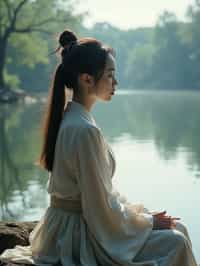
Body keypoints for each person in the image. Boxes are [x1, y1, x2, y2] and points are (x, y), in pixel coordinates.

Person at [0, 29, 197, 266]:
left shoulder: (75, 119)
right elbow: (99, 208)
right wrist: (147, 221)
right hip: (76, 234)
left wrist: (140, 216)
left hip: (74, 222)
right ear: (86, 79)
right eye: (110, 75)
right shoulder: (84, 130)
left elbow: (102, 196)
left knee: (179, 229)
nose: (116, 82)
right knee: (175, 241)